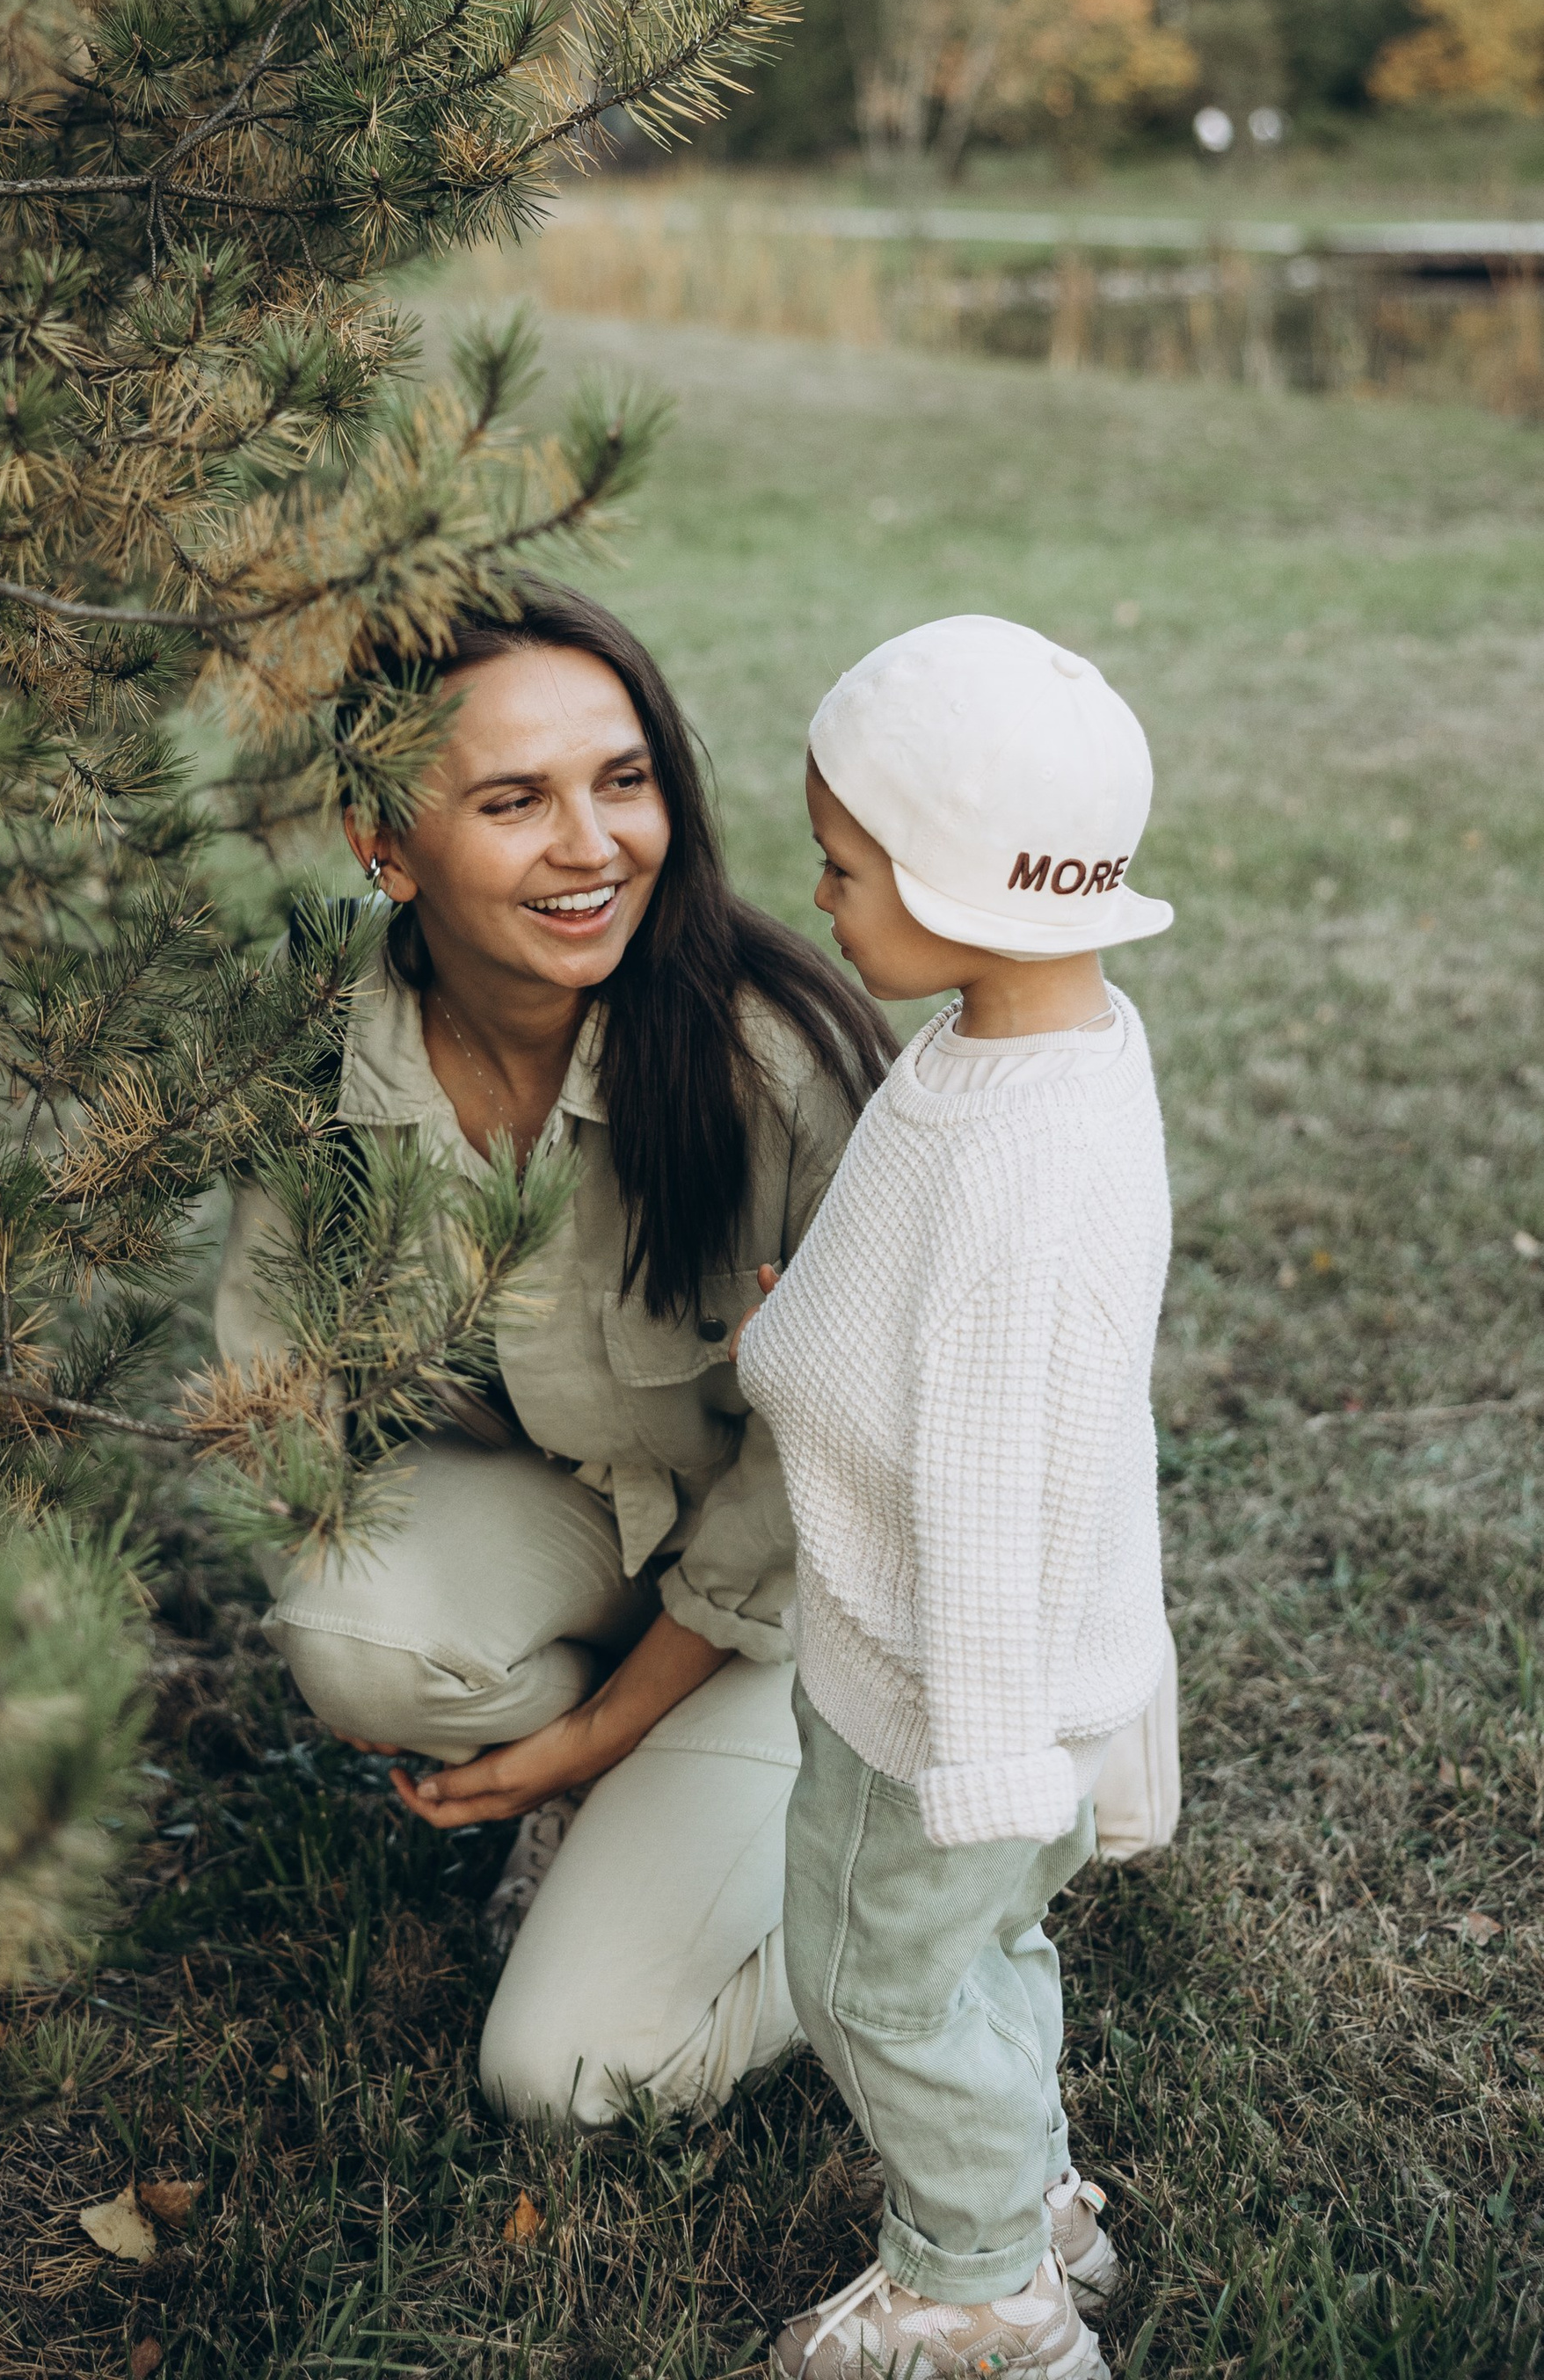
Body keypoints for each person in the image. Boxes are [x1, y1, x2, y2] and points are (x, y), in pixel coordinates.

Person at [214, 579, 897, 2124]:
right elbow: (274, 1395)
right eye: (515, 800)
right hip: (591, 1515)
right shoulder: (312, 1044)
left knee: (564, 2077)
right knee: (356, 1631)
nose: (592, 847)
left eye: (624, 779)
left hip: (820, 1606)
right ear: (383, 846)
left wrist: (593, 1735)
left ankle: (947, 1864)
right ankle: (628, 1790)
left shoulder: (779, 1065)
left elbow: (811, 1498)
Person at [737, 615, 1179, 2379]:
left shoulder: (1016, 1170)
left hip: (936, 1702)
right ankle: (1037, 2186)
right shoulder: (1049, 1048)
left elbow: (997, 1474)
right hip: (1002, 1693)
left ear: (961, 877)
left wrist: (978, 1763)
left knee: (876, 1979)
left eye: (843, 866)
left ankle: (980, 2289)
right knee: (981, 1954)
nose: (822, 897)